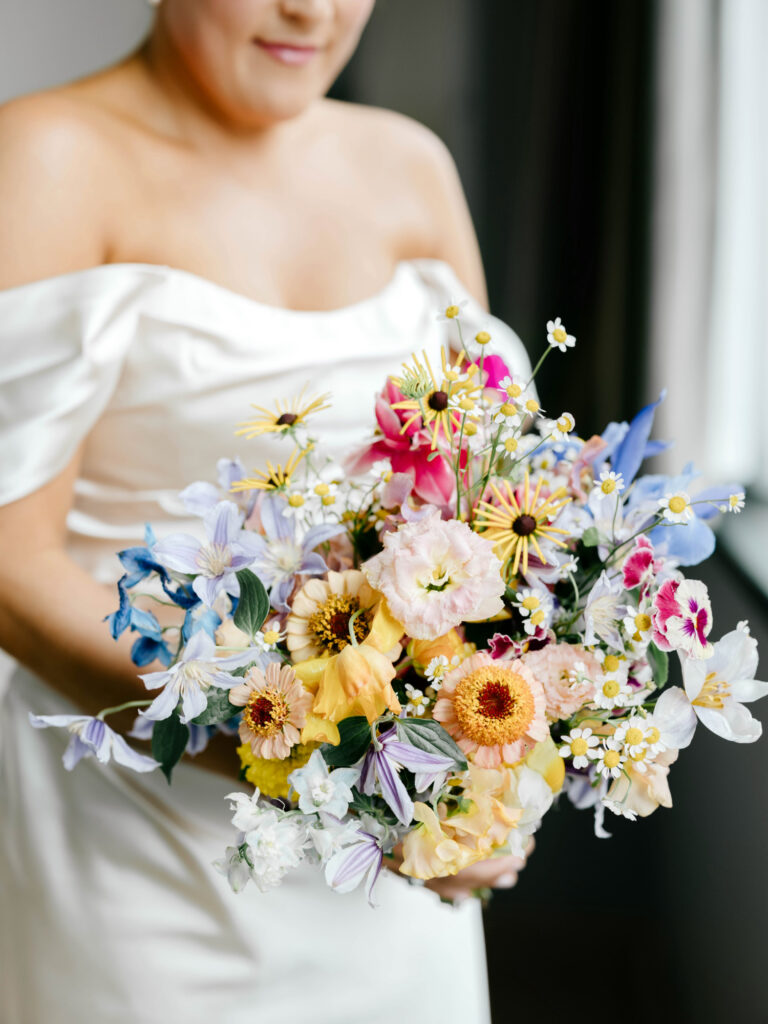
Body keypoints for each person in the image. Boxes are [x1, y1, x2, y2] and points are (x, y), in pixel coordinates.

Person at [0, 2, 534, 1021]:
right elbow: (8, 569)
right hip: (145, 863)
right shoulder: (46, 157)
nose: (315, 11)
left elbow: (489, 501)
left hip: (392, 871)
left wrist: (481, 756)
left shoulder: (411, 163)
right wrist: (313, 755)